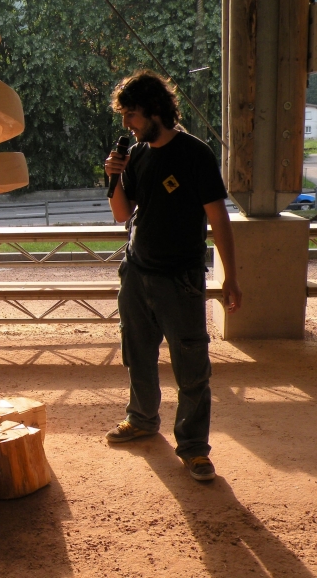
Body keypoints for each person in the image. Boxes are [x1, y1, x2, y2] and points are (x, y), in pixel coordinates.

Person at [103, 70, 242, 482]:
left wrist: (230, 277)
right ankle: (142, 418)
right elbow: (122, 214)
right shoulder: (138, 154)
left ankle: (194, 448)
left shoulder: (195, 154)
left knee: (191, 366)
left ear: (154, 110)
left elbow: (219, 219)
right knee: (138, 354)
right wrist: (113, 177)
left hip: (180, 279)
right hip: (136, 272)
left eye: (131, 114)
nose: (127, 124)